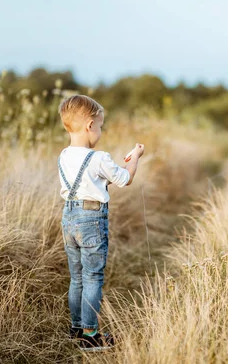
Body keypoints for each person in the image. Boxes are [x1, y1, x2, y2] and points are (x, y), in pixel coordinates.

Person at [57, 94, 144, 351]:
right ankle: (90, 334)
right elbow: (124, 179)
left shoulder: (63, 155)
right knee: (93, 276)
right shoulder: (98, 157)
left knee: (77, 278)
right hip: (91, 220)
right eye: (101, 125)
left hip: (69, 218)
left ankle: (76, 328)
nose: (101, 131)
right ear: (90, 125)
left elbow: (87, 183)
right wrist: (136, 156)